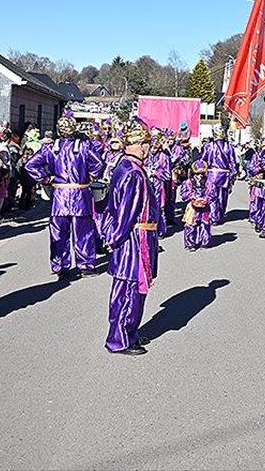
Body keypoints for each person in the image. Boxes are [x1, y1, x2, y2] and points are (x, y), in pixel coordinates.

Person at [101, 118, 159, 355]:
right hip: (133, 240)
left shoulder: (126, 167)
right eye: (146, 144)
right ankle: (120, 339)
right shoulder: (133, 173)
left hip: (136, 236)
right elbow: (125, 211)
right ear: (138, 145)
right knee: (128, 291)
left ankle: (130, 332)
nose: (148, 149)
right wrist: (114, 238)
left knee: (134, 290)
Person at [24, 116, 104, 279]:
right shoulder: (84, 146)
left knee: (58, 234)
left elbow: (30, 165)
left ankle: (60, 266)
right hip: (80, 195)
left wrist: (47, 178)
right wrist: (90, 177)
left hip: (59, 196)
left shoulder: (50, 147)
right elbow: (99, 164)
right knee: (83, 233)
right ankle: (86, 266)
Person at [179, 160, 213, 251]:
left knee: (205, 224)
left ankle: (204, 242)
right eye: (197, 174)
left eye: (202, 174)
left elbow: (212, 195)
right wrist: (191, 197)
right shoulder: (188, 183)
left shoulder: (208, 183)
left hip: (204, 206)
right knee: (190, 224)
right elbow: (183, 195)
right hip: (193, 207)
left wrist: (206, 199)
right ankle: (190, 243)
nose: (200, 176)